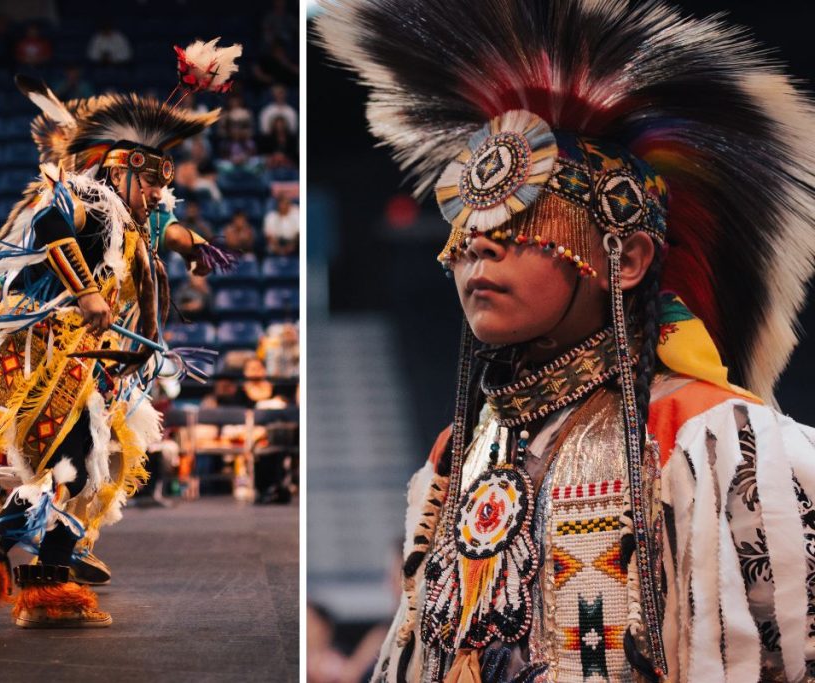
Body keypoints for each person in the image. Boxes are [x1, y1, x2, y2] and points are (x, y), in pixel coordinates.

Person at [317, 1, 815, 681]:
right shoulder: (460, 451)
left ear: (629, 258)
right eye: (466, 231)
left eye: (524, 220)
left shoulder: (717, 440)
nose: (481, 246)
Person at [0, 45, 241, 635]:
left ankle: (50, 591)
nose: (155, 192)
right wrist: (86, 290)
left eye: (160, 182)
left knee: (98, 470)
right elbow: (47, 225)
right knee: (64, 463)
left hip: (87, 364)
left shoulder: (142, 219)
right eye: (148, 178)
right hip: (38, 348)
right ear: (118, 170)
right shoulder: (89, 201)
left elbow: (170, 227)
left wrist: (194, 247)